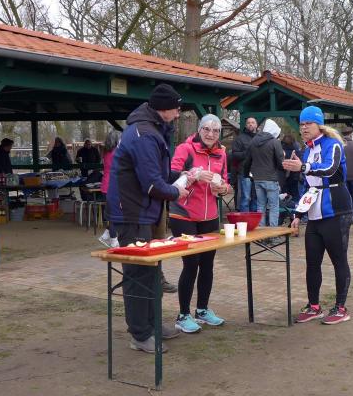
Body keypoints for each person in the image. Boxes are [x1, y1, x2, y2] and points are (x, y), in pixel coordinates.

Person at [106, 83, 189, 354]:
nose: (178, 114)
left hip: (145, 212)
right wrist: (177, 191)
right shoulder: (143, 134)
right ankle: (140, 334)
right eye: (176, 108)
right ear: (164, 108)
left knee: (152, 271)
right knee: (137, 274)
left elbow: (159, 173)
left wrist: (184, 175)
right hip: (131, 214)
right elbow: (152, 183)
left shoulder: (153, 130)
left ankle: (152, 324)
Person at [282, 106, 353, 325]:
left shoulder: (333, 144)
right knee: (312, 262)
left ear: (319, 125)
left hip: (336, 210)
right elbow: (307, 186)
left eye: (308, 124)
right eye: (301, 124)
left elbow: (330, 169)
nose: (304, 128)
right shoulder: (307, 150)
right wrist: (297, 213)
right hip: (314, 213)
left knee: (338, 260)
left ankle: (340, 307)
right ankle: (314, 306)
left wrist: (303, 166)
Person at [168, 113, 232, 333]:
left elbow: (226, 181)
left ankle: (202, 310)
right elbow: (171, 178)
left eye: (215, 131)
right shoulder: (185, 149)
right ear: (199, 129)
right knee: (191, 264)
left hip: (210, 216)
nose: (210, 134)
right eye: (206, 129)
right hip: (184, 215)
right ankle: (183, 315)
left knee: (207, 264)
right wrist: (194, 174)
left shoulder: (221, 153)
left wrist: (223, 188)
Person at [249, 119, 285, 228]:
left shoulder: (254, 141)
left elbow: (248, 159)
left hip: (257, 178)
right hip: (271, 178)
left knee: (260, 206)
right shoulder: (275, 142)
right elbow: (280, 162)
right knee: (274, 206)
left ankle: (261, 231)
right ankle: (273, 233)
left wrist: (247, 173)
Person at [98, 130, 122, 248]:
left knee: (113, 213)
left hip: (106, 186)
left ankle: (106, 235)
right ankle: (113, 240)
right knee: (115, 215)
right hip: (113, 187)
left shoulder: (107, 152)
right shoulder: (116, 153)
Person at [231, 117, 258, 212]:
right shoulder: (240, 138)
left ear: (256, 125)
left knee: (256, 198)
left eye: (253, 122)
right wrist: (247, 153)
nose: (250, 124)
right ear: (246, 125)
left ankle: (254, 219)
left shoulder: (260, 138)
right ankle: (244, 220)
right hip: (245, 172)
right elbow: (234, 155)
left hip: (258, 172)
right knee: (246, 198)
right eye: (248, 123)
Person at [281, 134, 302, 201]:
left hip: (283, 175)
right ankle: (296, 204)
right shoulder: (296, 151)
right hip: (294, 175)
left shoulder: (280, 150)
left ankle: (287, 205)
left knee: (285, 193)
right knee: (295, 192)